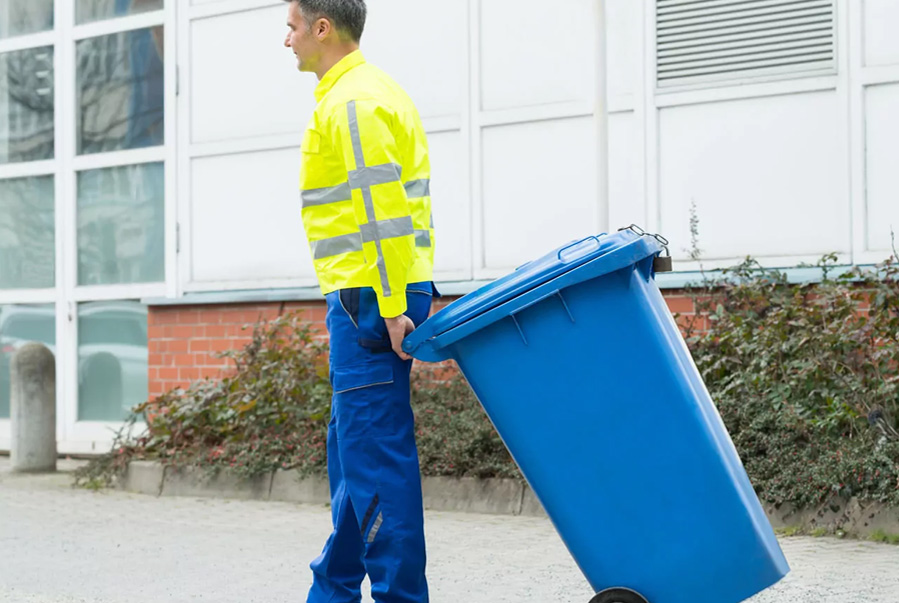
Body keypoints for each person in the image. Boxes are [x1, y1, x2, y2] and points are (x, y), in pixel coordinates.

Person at [283, 1, 436, 601]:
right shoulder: (374, 92)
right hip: (376, 294)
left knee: (374, 460)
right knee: (353, 448)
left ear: (322, 28)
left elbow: (381, 216)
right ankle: (333, 588)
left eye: (291, 26)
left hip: (371, 299)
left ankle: (397, 596)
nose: (286, 39)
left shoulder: (352, 104)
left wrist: (394, 305)